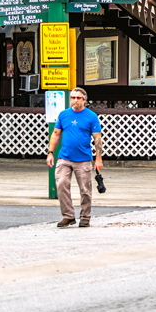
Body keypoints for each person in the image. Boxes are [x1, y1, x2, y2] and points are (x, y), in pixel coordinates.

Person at [47, 87, 103, 228]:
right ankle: (68, 216)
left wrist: (98, 158)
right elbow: (55, 133)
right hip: (64, 157)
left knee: (85, 189)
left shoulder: (91, 116)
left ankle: (85, 217)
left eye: (78, 98)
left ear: (84, 100)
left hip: (83, 158)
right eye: (73, 97)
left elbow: (97, 138)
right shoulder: (64, 115)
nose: (75, 100)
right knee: (61, 184)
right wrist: (50, 152)